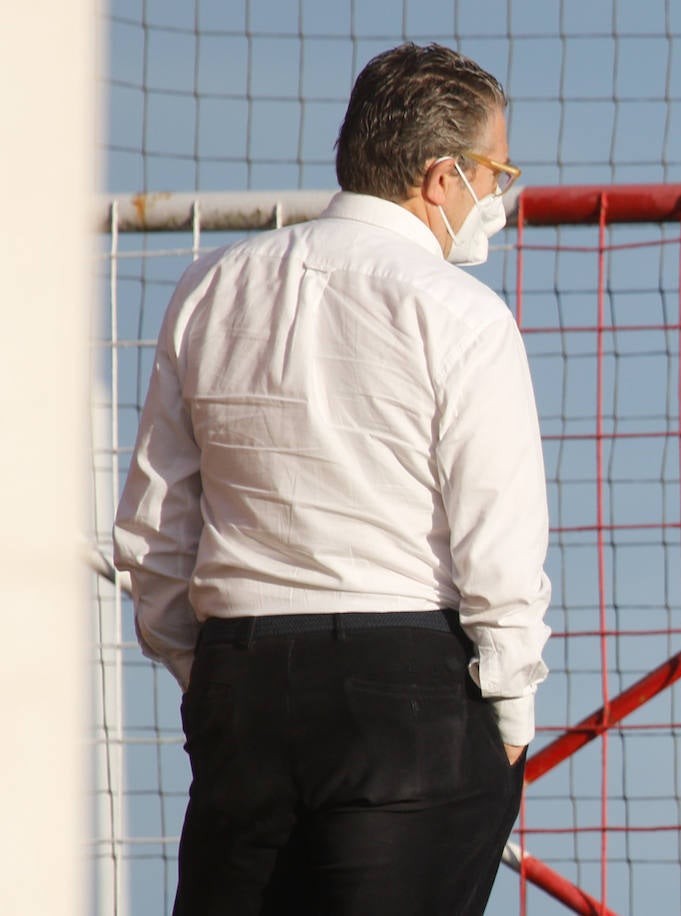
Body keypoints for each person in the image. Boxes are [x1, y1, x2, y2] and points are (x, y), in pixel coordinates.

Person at [113, 43, 551, 915]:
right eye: (497, 173)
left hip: (242, 678)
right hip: (408, 690)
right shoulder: (461, 313)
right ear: (441, 176)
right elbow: (497, 549)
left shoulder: (210, 288)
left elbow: (156, 531)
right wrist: (509, 718)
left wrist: (210, 679)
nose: (501, 198)